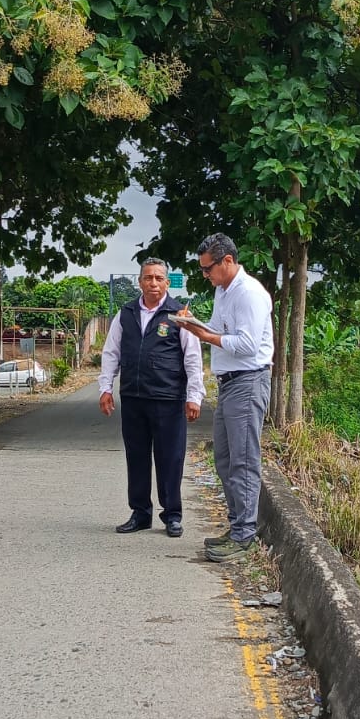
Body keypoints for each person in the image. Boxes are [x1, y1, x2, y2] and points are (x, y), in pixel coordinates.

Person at [173, 233, 274, 562]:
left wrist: (206, 336)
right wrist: (193, 325)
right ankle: (237, 525)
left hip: (248, 380)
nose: (206, 275)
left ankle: (244, 535)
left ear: (227, 261)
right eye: (202, 269)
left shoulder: (249, 294)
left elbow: (247, 345)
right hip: (229, 383)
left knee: (243, 459)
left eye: (208, 269)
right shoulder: (223, 291)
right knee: (225, 459)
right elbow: (217, 328)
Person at [100, 257, 204, 538]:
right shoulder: (126, 313)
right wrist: (105, 388)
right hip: (133, 397)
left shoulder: (179, 314)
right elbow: (111, 352)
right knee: (136, 457)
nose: (153, 283)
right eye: (148, 278)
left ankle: (172, 515)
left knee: (170, 458)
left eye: (159, 278)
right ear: (140, 282)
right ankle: (140, 513)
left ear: (167, 283)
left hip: (168, 398)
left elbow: (193, 358)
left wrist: (194, 396)